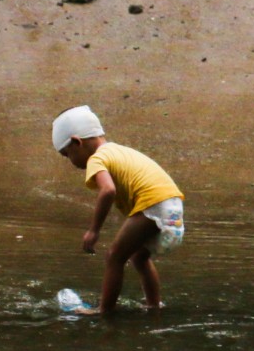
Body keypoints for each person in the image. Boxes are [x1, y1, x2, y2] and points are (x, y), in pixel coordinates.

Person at [51, 105, 185, 314]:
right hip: (173, 204)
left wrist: (94, 230)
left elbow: (108, 190)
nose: (70, 161)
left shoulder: (98, 158)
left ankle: (104, 309)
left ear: (77, 142)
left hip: (153, 204)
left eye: (67, 154)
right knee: (139, 257)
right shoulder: (118, 150)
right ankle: (153, 305)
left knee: (114, 256)